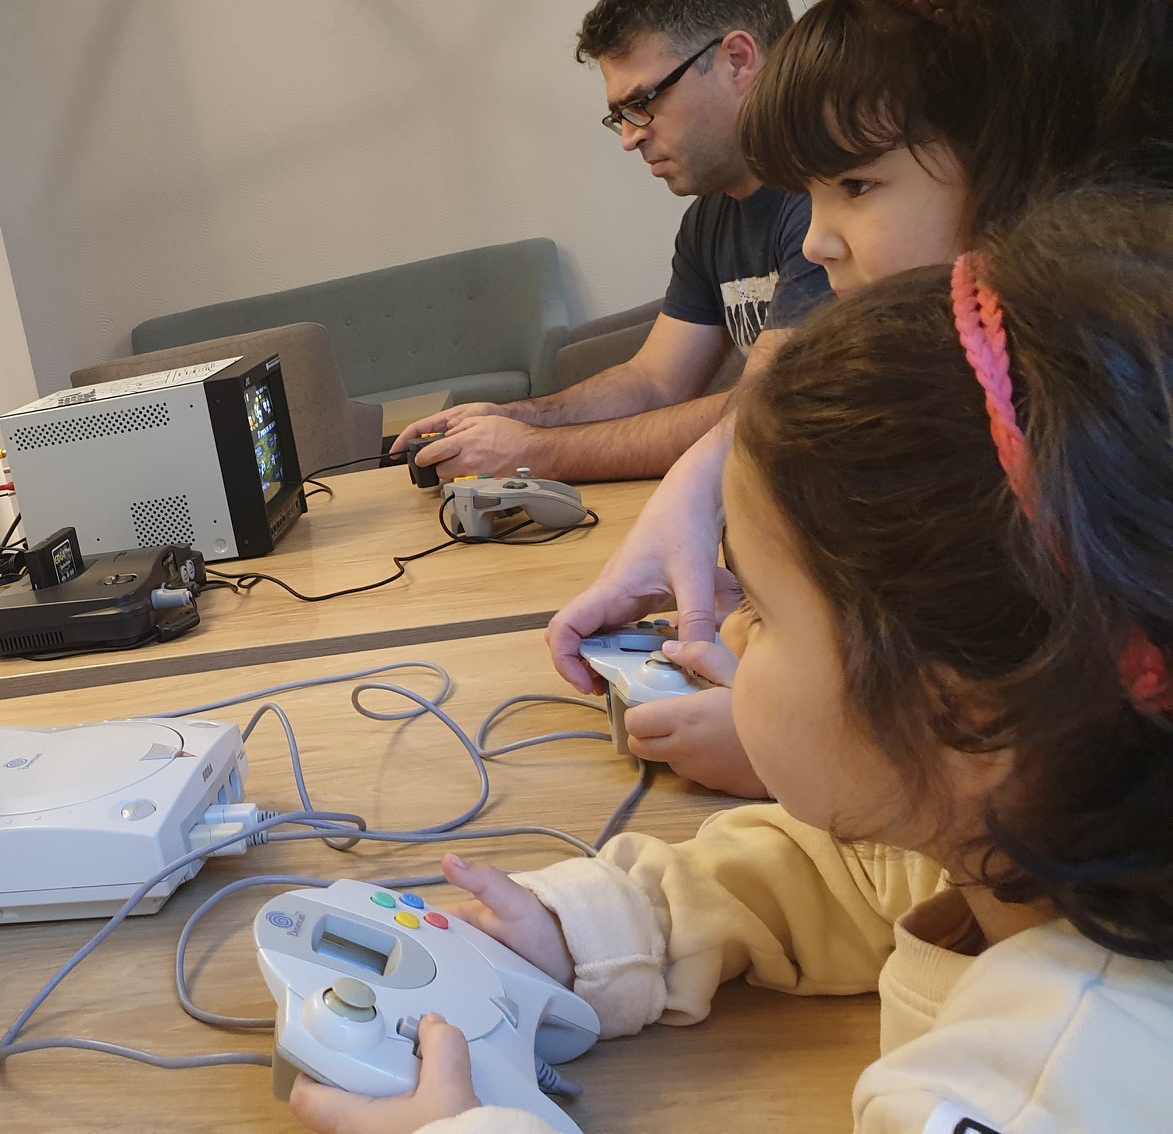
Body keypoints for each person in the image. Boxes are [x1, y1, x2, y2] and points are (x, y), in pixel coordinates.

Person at [292, 188, 1173, 1134]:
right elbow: (849, 878)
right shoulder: (1032, 836)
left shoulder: (1043, 1087)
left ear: (969, 715)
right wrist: (587, 931)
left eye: (760, 604)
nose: (731, 635)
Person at [546, 0, 1173, 797]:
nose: (815, 241)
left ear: (1004, 164)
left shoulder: (1060, 423)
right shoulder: (970, 375)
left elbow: (1055, 766)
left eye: (855, 185)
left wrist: (798, 749)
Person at [391, 0, 829, 484]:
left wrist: (532, 452)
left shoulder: (829, 199)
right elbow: (654, 381)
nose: (629, 138)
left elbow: (768, 411)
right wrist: (514, 418)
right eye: (621, 115)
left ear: (737, 61)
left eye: (643, 102)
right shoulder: (710, 220)